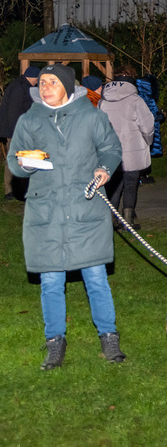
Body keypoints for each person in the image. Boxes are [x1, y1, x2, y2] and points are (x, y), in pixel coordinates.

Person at [6, 64, 125, 369]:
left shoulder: (91, 116)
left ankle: (109, 338)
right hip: (45, 211)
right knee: (50, 281)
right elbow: (14, 162)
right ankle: (55, 341)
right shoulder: (29, 120)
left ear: (68, 87)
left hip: (85, 208)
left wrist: (104, 169)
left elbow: (111, 149)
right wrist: (25, 164)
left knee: (96, 277)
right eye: (42, 82)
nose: (45, 87)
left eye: (53, 82)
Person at [99, 65, 155, 232]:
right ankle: (128, 220)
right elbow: (147, 126)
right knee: (130, 185)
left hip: (110, 151)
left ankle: (111, 219)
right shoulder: (135, 100)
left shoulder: (103, 101)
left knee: (114, 185)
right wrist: (148, 141)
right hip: (132, 150)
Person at [0, 65, 39, 200]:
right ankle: (9, 190)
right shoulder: (19, 88)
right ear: (33, 77)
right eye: (37, 79)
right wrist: (18, 132)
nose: (37, 82)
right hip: (15, 131)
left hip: (18, 130)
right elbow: (13, 112)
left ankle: (21, 188)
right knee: (13, 159)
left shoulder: (22, 85)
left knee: (23, 159)